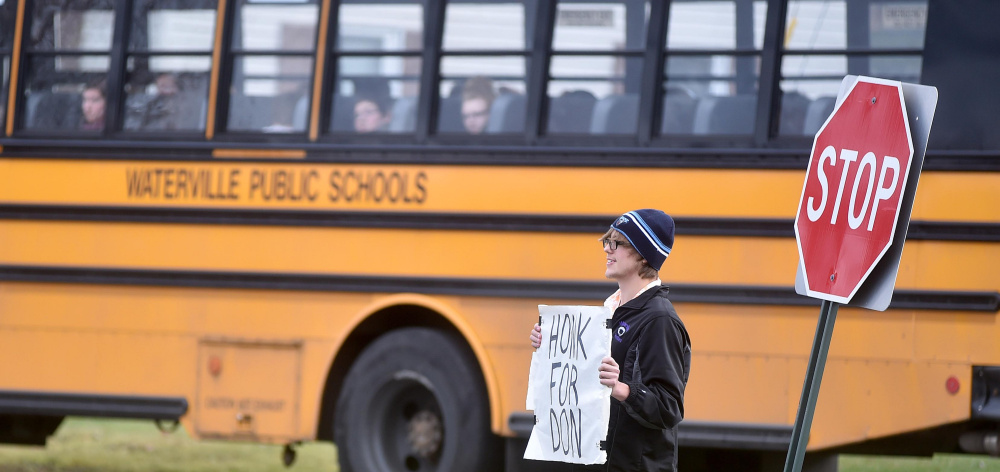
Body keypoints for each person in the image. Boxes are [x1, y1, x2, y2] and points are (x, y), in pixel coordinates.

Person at [530, 209, 691, 472]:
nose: (607, 249)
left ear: (643, 255)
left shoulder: (659, 319)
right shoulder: (612, 310)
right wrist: (549, 347)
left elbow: (669, 408)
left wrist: (622, 389)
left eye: (617, 243)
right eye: (607, 241)